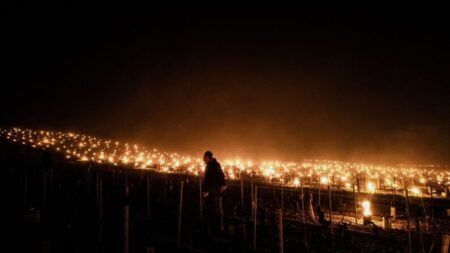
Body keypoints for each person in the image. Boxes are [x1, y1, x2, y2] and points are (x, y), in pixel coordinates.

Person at [202, 150, 227, 240]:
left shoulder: (215, 165)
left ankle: (220, 227)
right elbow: (207, 179)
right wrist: (205, 189)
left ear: (209, 157)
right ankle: (213, 226)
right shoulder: (209, 166)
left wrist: (223, 185)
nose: (203, 158)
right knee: (211, 208)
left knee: (217, 208)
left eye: (205, 157)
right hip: (210, 190)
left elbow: (221, 175)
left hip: (215, 190)